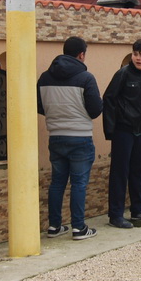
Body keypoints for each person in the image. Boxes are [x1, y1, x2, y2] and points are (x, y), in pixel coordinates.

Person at [37, 36, 103, 240]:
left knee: (57, 183)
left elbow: (40, 106)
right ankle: (78, 228)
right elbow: (95, 110)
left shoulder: (44, 78)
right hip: (80, 137)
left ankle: (54, 226)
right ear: (81, 55)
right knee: (79, 183)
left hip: (56, 136)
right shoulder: (86, 78)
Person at [103, 38, 141, 229]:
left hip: (140, 131)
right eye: (135, 54)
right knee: (120, 172)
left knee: (138, 170)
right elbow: (109, 99)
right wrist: (111, 129)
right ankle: (116, 214)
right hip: (123, 130)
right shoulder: (123, 74)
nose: (138, 58)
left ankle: (138, 209)